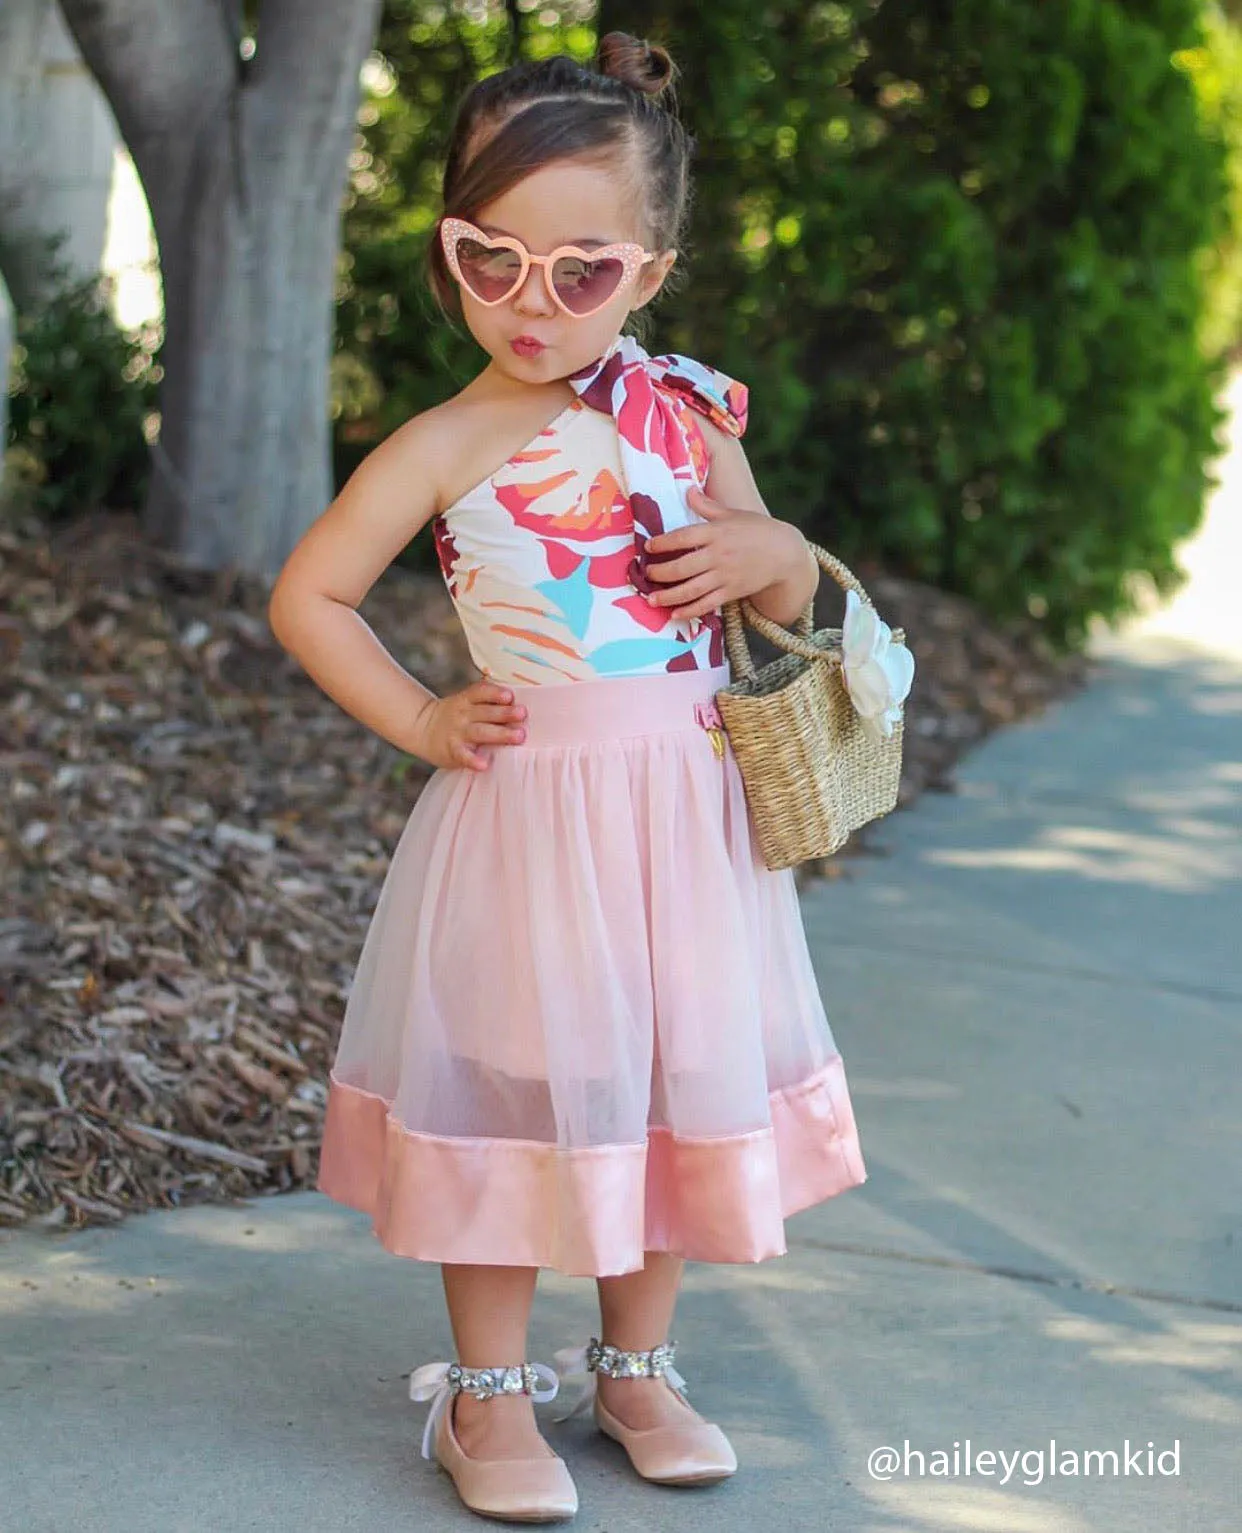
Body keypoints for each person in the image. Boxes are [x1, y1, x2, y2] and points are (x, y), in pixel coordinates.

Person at [268, 30, 868, 1524]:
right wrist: (417, 720)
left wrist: (774, 555)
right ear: (450, 250)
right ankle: (483, 1401)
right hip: (531, 822)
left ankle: (635, 1364)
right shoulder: (446, 442)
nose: (533, 302)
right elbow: (310, 597)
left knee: (660, 1088)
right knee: (515, 1091)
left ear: (649, 270)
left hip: (686, 817)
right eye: (492, 261)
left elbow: (779, 604)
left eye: (581, 269)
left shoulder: (688, 418)